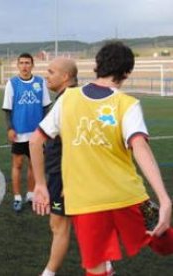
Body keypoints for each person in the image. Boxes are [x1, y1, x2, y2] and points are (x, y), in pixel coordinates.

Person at [30, 42, 173, 276]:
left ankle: (105, 266)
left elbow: (35, 141)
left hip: (85, 202)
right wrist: (165, 198)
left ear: (96, 66)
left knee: (95, 268)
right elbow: (139, 146)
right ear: (127, 73)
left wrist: (40, 184)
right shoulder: (127, 104)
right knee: (164, 242)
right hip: (126, 196)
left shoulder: (67, 99)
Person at [37, 57, 79, 276]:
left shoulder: (68, 100)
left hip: (62, 174)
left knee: (59, 225)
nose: (47, 76)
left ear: (65, 77)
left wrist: (65, 180)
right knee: (79, 223)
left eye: (51, 72)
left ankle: (49, 273)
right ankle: (106, 266)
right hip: (61, 173)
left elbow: (38, 139)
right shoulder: (69, 98)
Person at [2, 52, 51, 212]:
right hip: (19, 132)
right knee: (17, 164)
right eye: (21, 63)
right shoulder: (12, 83)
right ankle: (17, 197)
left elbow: (45, 106)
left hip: (36, 134)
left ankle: (30, 194)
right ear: (18, 65)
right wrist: (10, 128)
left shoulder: (40, 82)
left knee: (33, 165)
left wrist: (44, 129)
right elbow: (7, 109)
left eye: (27, 63)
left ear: (32, 65)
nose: (24, 66)